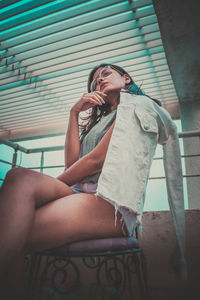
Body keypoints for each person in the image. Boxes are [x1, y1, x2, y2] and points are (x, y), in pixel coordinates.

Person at [0, 63, 185, 299]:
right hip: (80, 197)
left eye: (105, 74)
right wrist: (74, 113)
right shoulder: (100, 122)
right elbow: (72, 165)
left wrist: (49, 187)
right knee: (17, 179)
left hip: (109, 203)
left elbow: (96, 161)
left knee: (13, 226)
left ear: (126, 79)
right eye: (95, 80)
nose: (99, 81)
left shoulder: (139, 105)